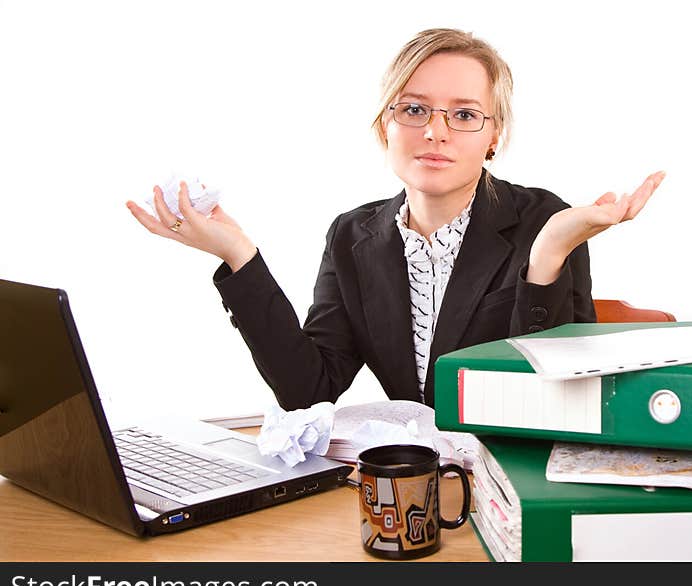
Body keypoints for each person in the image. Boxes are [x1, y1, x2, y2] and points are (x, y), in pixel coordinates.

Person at [126, 28, 664, 410]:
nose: (435, 131)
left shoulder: (543, 220)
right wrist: (238, 256)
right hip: (410, 485)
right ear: (386, 126)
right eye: (413, 109)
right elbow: (309, 390)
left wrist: (546, 259)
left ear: (494, 134)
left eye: (464, 114)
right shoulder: (352, 236)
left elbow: (553, 404)